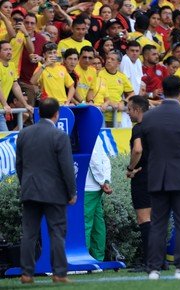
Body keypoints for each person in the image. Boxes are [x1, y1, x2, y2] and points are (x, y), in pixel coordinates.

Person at [140, 75, 180, 280]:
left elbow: (147, 150)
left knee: (158, 224)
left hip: (158, 176)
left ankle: (154, 269)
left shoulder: (149, 117)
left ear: (161, 90)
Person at [16, 98, 77, 284]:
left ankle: (26, 274)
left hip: (30, 189)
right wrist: (71, 192)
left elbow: (19, 165)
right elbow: (67, 168)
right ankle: (59, 274)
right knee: (57, 233)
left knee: (29, 233)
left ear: (37, 112)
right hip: (54, 192)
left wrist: (25, 183)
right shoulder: (59, 136)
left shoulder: (23, 134)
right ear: (57, 114)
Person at [126, 95, 150, 271]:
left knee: (144, 218)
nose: (128, 113)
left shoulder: (139, 128)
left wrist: (130, 168)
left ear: (137, 109)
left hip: (143, 176)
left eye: (129, 109)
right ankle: (160, 260)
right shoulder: (158, 126)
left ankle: (150, 261)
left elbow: (138, 150)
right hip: (160, 175)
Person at [84, 136, 112, 261]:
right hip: (95, 186)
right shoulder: (97, 135)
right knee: (97, 224)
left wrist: (102, 181)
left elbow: (94, 160)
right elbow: (104, 159)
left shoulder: (86, 134)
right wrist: (105, 180)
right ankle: (97, 258)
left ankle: (83, 259)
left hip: (87, 186)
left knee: (85, 224)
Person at [0, 40, 33, 131]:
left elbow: (16, 86)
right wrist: (5, 104)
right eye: (5, 50)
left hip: (1, 110)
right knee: (4, 139)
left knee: (4, 140)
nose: (9, 52)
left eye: (10, 49)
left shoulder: (11, 65)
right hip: (2, 108)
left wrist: (25, 104)